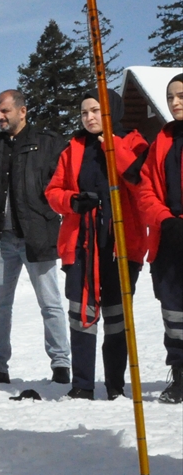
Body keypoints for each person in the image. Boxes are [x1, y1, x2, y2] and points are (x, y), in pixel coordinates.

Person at [45, 89, 149, 400]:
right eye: (84, 113)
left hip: (121, 244)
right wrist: (71, 200)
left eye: (96, 111)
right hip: (82, 245)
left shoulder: (132, 141)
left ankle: (115, 385)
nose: (89, 118)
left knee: (117, 317)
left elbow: (138, 180)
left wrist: (111, 144)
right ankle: (82, 385)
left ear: (111, 111)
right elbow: (53, 191)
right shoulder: (73, 148)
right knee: (81, 315)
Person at [0, 90, 71, 387]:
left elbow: (64, 183)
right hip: (0, 238)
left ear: (22, 111)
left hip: (37, 236)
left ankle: (61, 365)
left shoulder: (49, 143)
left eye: (5, 111)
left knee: (50, 303)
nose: (0, 117)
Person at [139, 73, 183, 403]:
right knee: (173, 314)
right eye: (170, 98)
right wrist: (165, 221)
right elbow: (145, 190)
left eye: (180, 96)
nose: (175, 103)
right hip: (168, 238)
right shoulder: (162, 141)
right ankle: (181, 375)